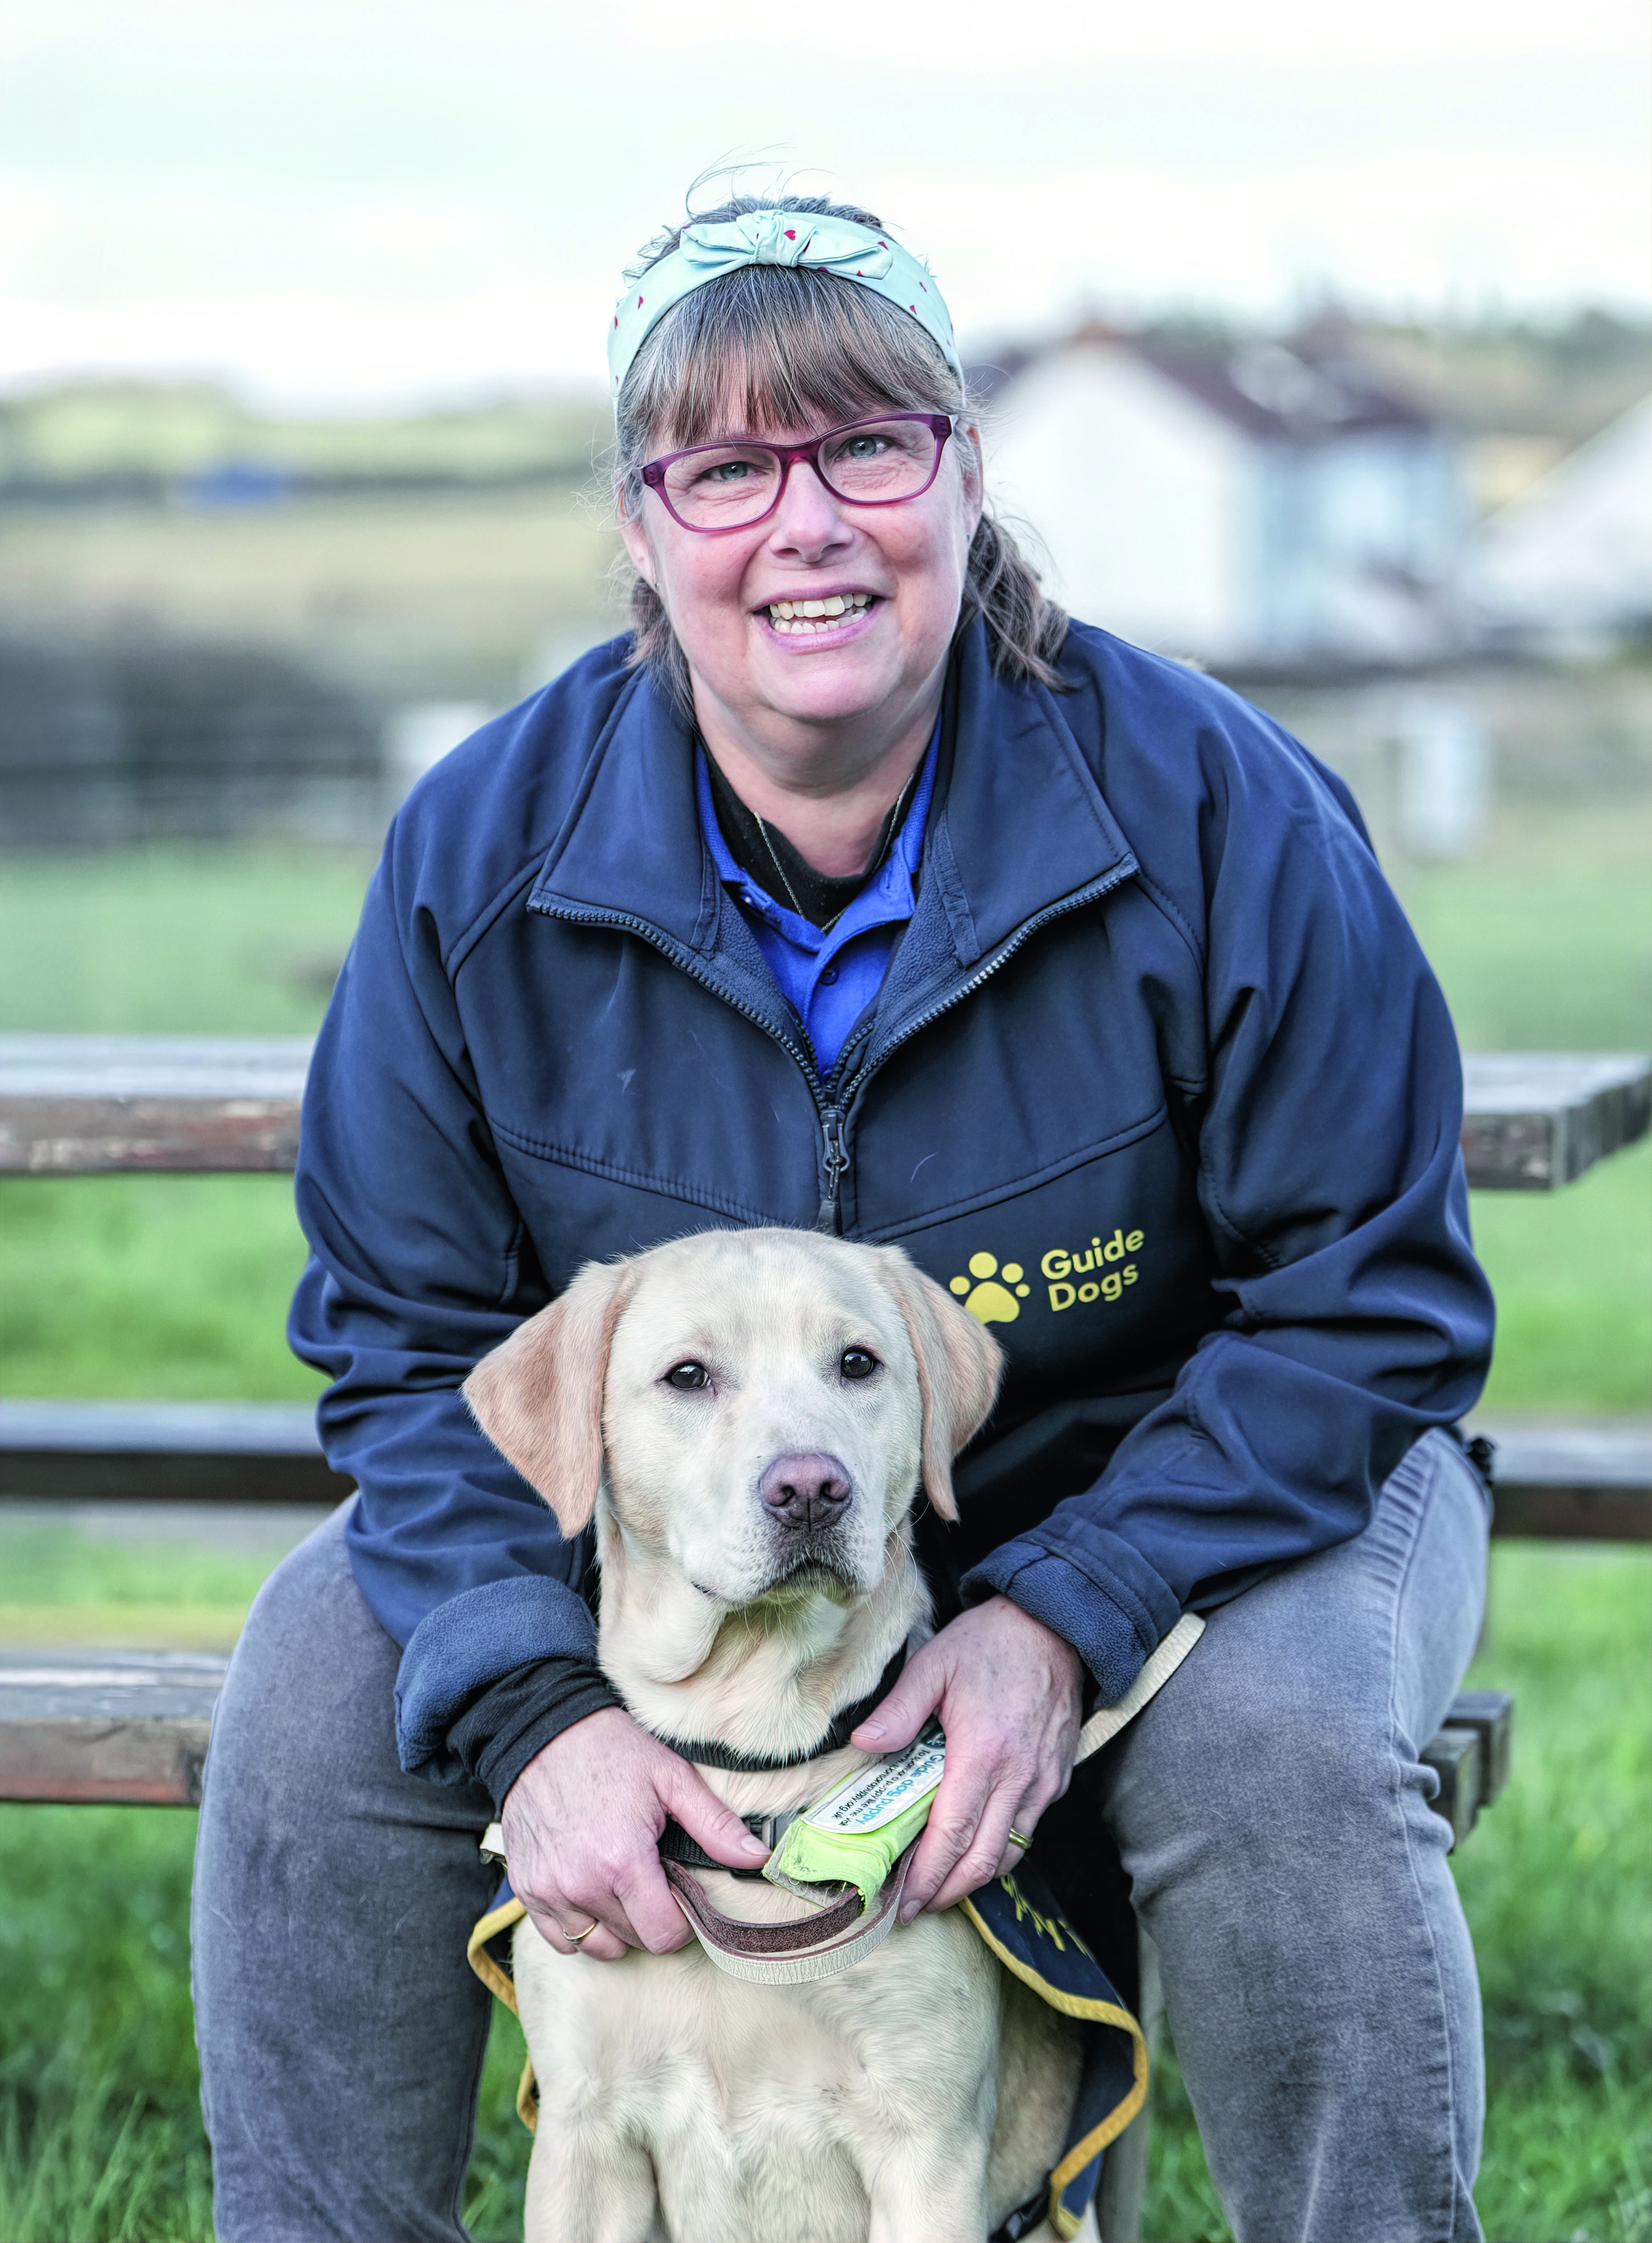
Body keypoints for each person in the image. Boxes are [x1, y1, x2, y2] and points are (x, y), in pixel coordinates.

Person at [192, 193, 1497, 2243]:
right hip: (712, 1511)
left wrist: (1067, 1611)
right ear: (639, 525)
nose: (804, 523)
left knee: (1276, 1752)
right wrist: (541, 1715)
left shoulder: (1218, 809)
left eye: (867, 447)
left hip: (1228, 1487)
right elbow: (403, 1344)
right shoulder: (479, 853)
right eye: (724, 468)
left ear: (966, 479)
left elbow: (1367, 1311)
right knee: (313, 1678)